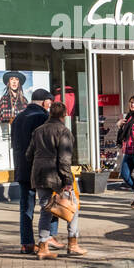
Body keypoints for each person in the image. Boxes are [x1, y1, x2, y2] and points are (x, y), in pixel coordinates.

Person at [25, 102, 86, 259]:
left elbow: (28, 154)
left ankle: (43, 247)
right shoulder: (64, 131)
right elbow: (65, 159)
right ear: (64, 114)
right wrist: (67, 181)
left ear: (50, 113)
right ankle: (73, 244)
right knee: (73, 208)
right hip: (56, 175)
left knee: (46, 210)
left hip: (39, 174)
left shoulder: (38, 131)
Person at [11, 88, 59, 254]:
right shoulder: (43, 117)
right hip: (41, 170)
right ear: (46, 102)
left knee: (26, 207)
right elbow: (48, 145)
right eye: (50, 102)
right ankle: (50, 236)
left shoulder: (18, 118)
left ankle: (27, 243)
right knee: (51, 203)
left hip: (22, 169)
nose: (50, 106)